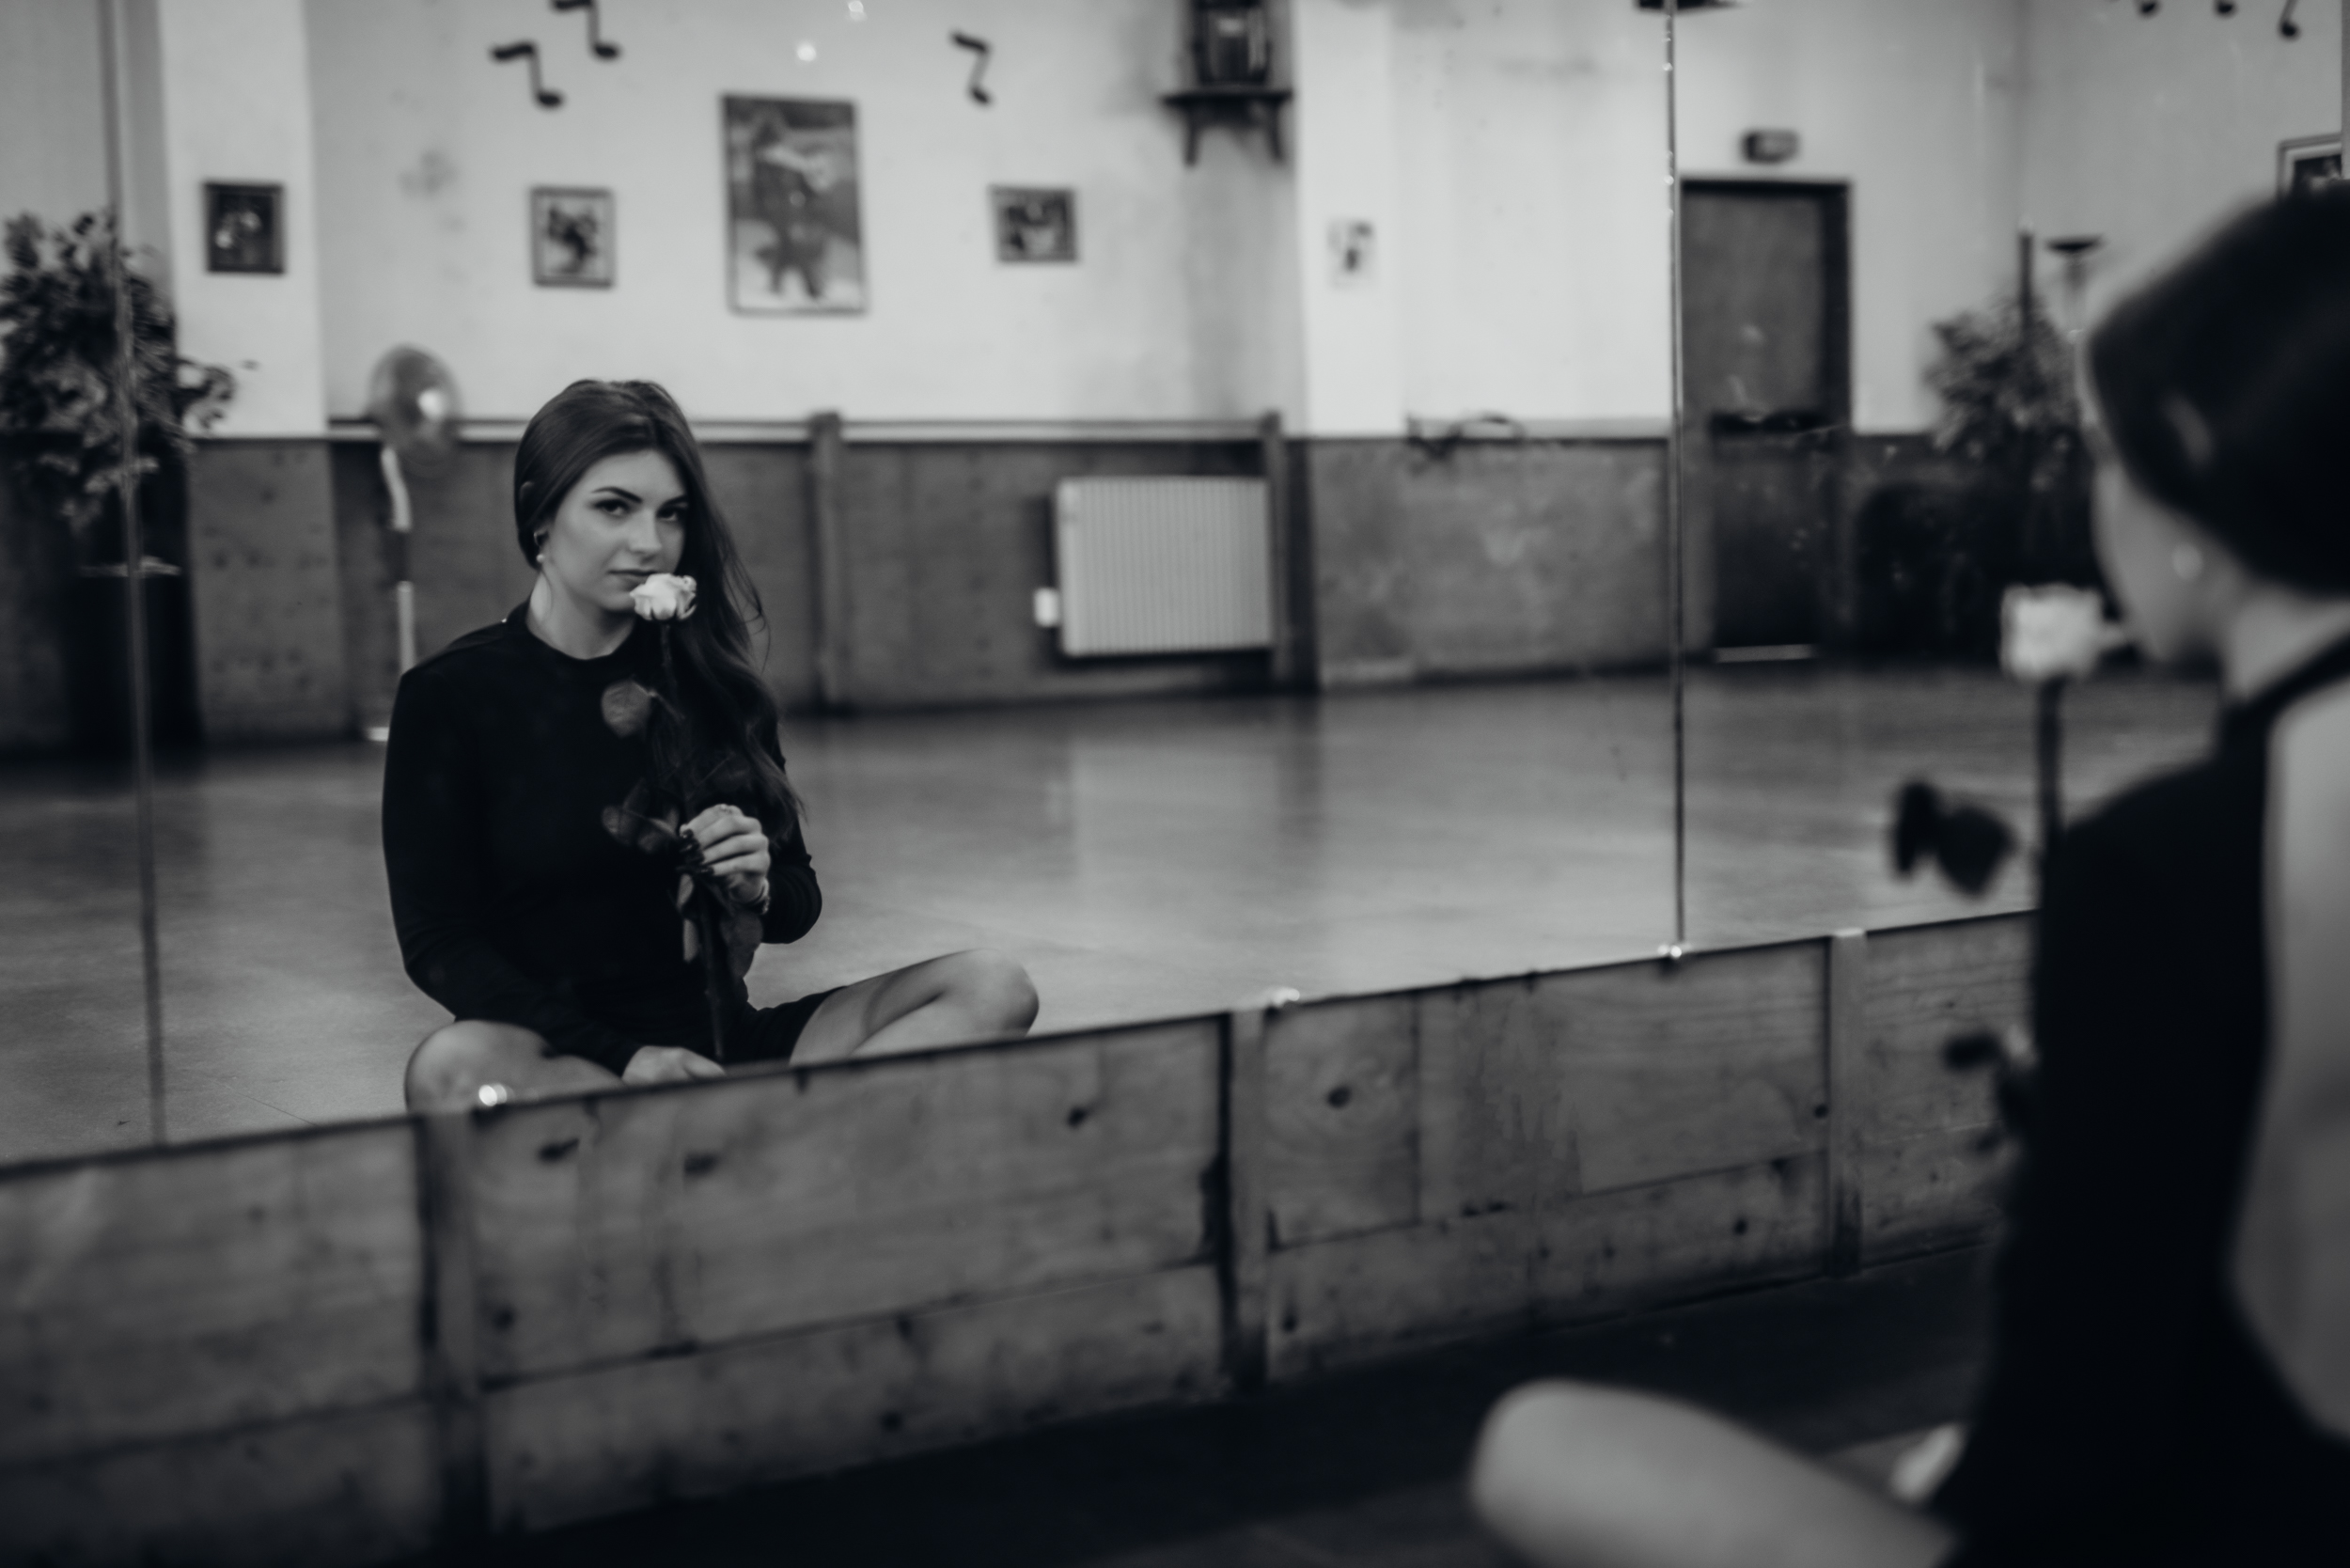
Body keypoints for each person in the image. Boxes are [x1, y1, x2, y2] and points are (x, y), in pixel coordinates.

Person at [1469, 189, 2350, 1565]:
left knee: (1545, 1444)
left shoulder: (2180, 863)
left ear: (2189, 465)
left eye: (2108, 454)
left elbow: (2079, 1446)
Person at [387, 380, 1037, 1111]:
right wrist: (626, 1060)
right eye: (614, 507)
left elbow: (797, 899)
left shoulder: (714, 686)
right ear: (540, 515)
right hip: (566, 1061)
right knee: (450, 1065)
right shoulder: (451, 694)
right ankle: (765, 1141)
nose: (649, 542)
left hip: (723, 1052)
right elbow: (437, 943)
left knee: (992, 985)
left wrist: (757, 886)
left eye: (671, 513)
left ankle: (737, 1139)